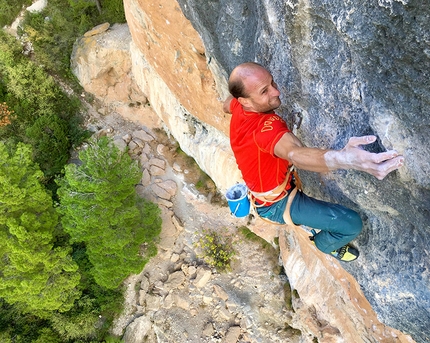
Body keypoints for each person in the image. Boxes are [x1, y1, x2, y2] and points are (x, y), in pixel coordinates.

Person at [223, 62, 404, 262]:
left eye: (272, 82)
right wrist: (347, 159)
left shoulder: (238, 106)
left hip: (265, 189)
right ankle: (324, 244)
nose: (277, 91)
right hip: (276, 204)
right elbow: (294, 154)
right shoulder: (266, 130)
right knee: (351, 224)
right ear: (245, 101)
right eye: (265, 91)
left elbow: (227, 104)